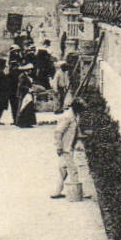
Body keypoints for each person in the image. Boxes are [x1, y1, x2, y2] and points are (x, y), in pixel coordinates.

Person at [49, 62, 81, 199]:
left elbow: (75, 132)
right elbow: (58, 132)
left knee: (63, 170)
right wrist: (59, 147)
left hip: (68, 147)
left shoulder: (74, 116)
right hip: (65, 149)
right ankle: (75, 194)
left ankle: (57, 191)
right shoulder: (68, 117)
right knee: (72, 170)